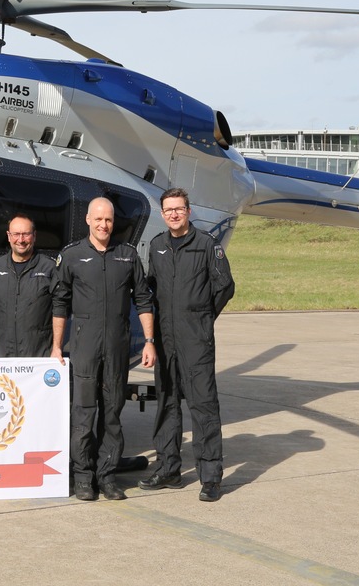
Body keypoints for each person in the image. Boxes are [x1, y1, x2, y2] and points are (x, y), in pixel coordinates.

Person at [51, 197, 155, 502]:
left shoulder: (127, 255)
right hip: (84, 346)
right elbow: (59, 303)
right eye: (98, 219)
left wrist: (150, 341)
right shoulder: (72, 255)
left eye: (108, 219)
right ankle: (84, 477)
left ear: (113, 222)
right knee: (83, 414)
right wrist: (56, 347)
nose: (103, 225)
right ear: (88, 220)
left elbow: (143, 300)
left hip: (116, 347)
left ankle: (107, 476)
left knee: (112, 414)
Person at [138, 188, 235, 503]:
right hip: (166, 340)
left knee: (203, 406)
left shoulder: (206, 245)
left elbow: (225, 286)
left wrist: (203, 318)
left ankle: (210, 477)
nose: (174, 214)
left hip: (196, 340)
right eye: (168, 210)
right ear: (163, 214)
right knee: (167, 404)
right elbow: (152, 287)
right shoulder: (157, 246)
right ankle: (169, 469)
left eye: (179, 209)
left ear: (188, 211)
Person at [0, 214, 57, 357]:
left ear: (34, 236)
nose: (21, 240)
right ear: (9, 236)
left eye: (26, 234)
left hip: (39, 353)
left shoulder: (50, 268)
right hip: (3, 353)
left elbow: (61, 307)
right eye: (16, 234)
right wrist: (7, 324)